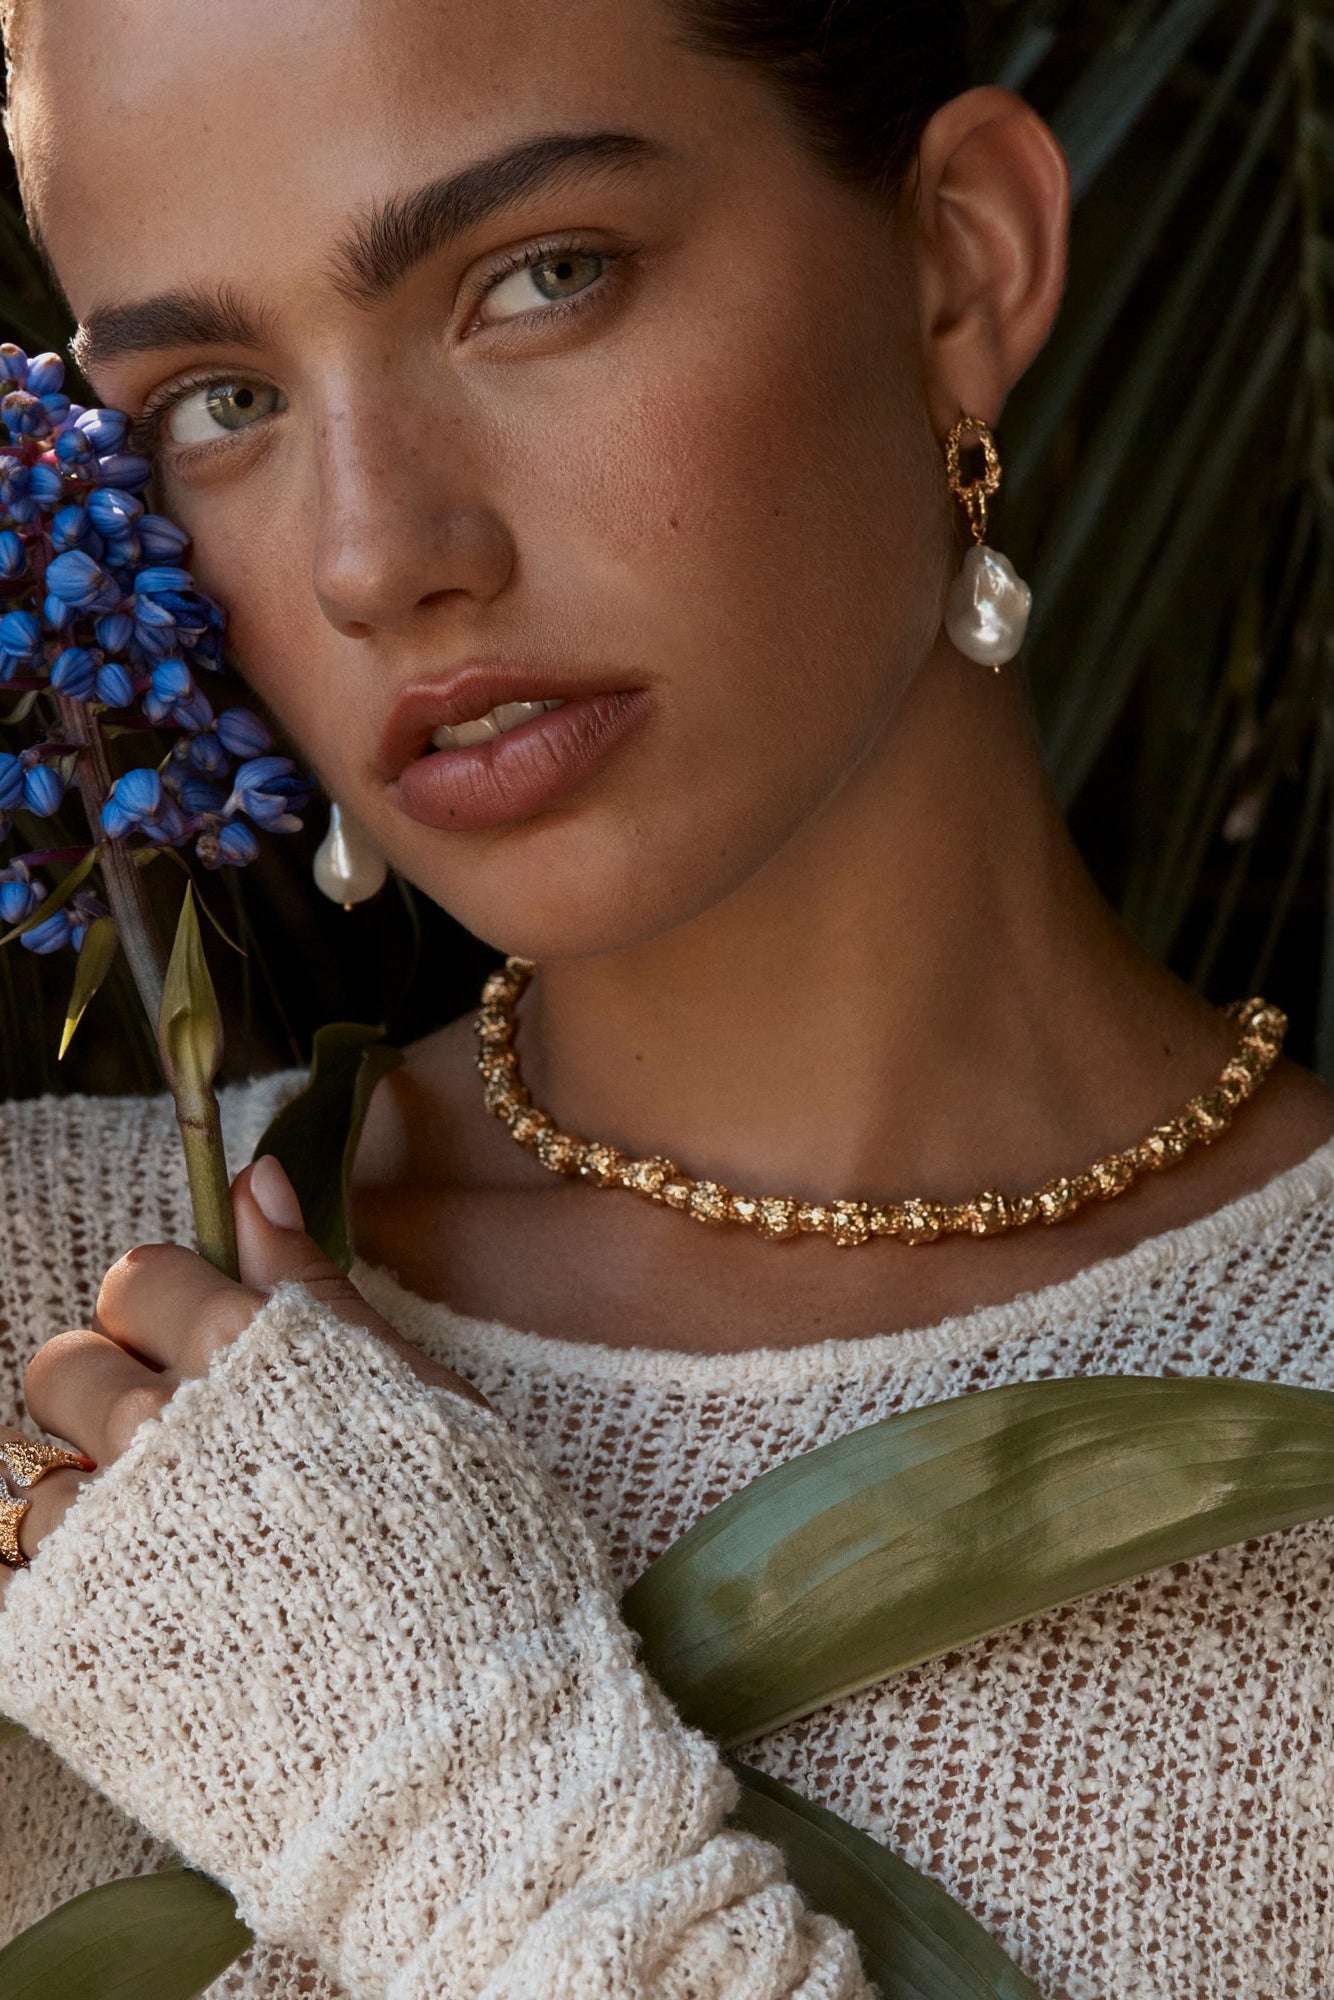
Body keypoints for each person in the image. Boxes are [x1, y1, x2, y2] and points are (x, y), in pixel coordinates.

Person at [0, 1, 1330, 1995]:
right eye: (217, 398)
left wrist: (449, 1801)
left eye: (535, 280)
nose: (379, 555)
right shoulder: (42, 1301)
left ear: (957, 258)